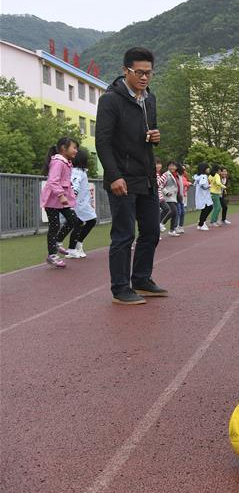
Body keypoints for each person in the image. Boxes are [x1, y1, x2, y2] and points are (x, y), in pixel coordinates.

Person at [95, 47, 167, 304]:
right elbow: (102, 141)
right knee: (124, 235)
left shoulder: (150, 99)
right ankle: (120, 288)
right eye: (139, 72)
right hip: (122, 178)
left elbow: (148, 135)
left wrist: (155, 138)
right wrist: (113, 176)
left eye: (149, 73)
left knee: (151, 232)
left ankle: (141, 279)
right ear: (125, 71)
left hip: (146, 176)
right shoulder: (110, 100)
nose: (144, 77)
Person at [40, 137, 79, 268]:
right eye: (74, 147)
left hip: (61, 201)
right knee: (54, 226)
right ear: (63, 148)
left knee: (73, 220)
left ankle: (56, 242)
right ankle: (52, 255)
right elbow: (53, 180)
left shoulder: (66, 162)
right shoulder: (58, 162)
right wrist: (61, 195)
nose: (76, 151)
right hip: (52, 200)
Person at [59, 147, 97, 258]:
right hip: (78, 204)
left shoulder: (79, 171)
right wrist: (72, 199)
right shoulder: (77, 172)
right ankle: (72, 248)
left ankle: (77, 245)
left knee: (86, 222)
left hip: (82, 203)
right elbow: (74, 185)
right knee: (81, 223)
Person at [162, 161, 180, 236]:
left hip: (174, 196)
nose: (172, 167)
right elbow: (161, 185)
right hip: (168, 196)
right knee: (173, 211)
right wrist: (166, 192)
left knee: (175, 213)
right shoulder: (166, 174)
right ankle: (162, 223)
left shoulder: (176, 175)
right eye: (171, 166)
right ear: (168, 166)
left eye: (174, 166)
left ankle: (172, 230)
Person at [194, 163, 214, 230]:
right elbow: (203, 186)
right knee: (208, 208)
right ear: (204, 169)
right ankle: (201, 223)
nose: (209, 169)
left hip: (201, 195)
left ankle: (201, 222)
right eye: (208, 168)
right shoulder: (203, 176)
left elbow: (196, 183)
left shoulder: (198, 176)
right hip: (203, 196)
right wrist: (209, 185)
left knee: (206, 208)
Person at [155, 159, 172, 234]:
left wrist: (166, 192)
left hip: (160, 197)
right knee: (156, 213)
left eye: (159, 164)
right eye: (156, 164)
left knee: (166, 209)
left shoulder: (158, 174)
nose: (159, 165)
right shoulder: (154, 174)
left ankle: (158, 224)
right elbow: (157, 184)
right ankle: (156, 228)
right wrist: (164, 177)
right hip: (155, 197)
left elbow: (160, 186)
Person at [174, 163, 190, 234]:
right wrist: (188, 183)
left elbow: (185, 182)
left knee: (183, 211)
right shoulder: (175, 175)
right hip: (176, 196)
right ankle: (176, 227)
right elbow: (184, 183)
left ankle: (180, 226)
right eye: (182, 169)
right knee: (178, 212)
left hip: (181, 196)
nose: (184, 170)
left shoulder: (182, 176)